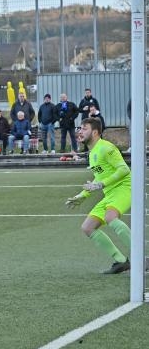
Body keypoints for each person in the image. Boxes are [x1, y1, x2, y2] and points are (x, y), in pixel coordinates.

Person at [65, 117, 131, 274]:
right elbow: (99, 177)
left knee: (110, 217)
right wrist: (83, 195)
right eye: (80, 128)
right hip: (110, 193)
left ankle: (143, 257)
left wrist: (101, 184)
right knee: (87, 227)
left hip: (124, 188)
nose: (80, 132)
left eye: (84, 128)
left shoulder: (106, 148)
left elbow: (124, 170)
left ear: (95, 132)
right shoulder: (92, 152)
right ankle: (121, 261)